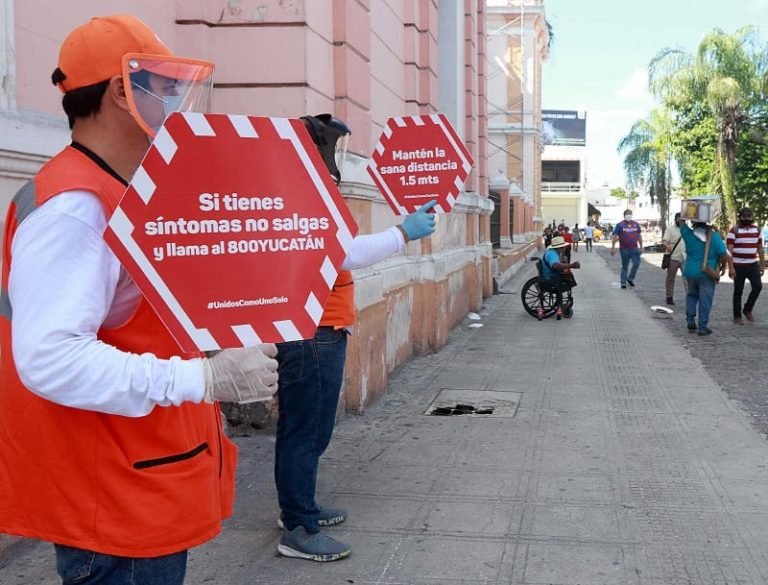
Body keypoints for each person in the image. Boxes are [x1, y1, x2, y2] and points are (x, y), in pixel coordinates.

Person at [0, 15, 281, 585]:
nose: (176, 101)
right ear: (118, 93)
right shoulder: (75, 208)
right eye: (164, 85)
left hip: (138, 483)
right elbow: (51, 358)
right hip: (113, 508)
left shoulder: (118, 189)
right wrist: (202, 380)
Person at [274, 118, 438, 562]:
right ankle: (297, 526)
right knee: (306, 433)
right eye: (332, 148)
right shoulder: (303, 196)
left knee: (309, 430)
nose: (339, 158)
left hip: (319, 329)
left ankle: (299, 506)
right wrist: (402, 233)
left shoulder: (305, 193)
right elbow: (340, 253)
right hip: (312, 333)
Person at [680, 219, 730, 336]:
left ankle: (690, 320)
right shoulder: (714, 236)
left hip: (690, 271)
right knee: (705, 299)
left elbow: (681, 223)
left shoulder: (688, 234)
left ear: (693, 223)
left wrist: (688, 213)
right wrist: (723, 266)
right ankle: (702, 327)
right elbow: (723, 253)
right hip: (707, 272)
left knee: (691, 295)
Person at [727, 207, 765, 324]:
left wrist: (762, 265)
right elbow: (729, 251)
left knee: (758, 287)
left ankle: (747, 309)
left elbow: (760, 248)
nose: (747, 218)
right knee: (738, 291)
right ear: (740, 217)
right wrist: (731, 267)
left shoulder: (757, 230)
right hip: (738, 265)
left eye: (749, 216)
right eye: (744, 216)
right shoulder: (734, 231)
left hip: (752, 264)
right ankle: (737, 316)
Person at [539, 235, 581, 320]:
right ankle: (560, 305)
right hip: (550, 277)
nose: (564, 248)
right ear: (560, 247)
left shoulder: (554, 252)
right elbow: (555, 265)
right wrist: (571, 265)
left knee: (569, 278)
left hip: (550, 275)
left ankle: (561, 305)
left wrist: (563, 261)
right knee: (567, 280)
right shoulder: (552, 254)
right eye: (563, 247)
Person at [611, 210, 643, 288]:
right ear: (624, 216)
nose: (628, 215)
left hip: (634, 248)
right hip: (624, 249)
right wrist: (613, 247)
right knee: (625, 266)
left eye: (630, 214)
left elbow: (639, 236)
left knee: (636, 263)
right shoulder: (620, 225)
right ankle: (623, 282)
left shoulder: (636, 224)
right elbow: (615, 236)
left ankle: (630, 278)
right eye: (627, 214)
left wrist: (641, 246)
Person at [662, 212, 687, 305]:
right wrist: (668, 246)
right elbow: (664, 241)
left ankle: (689, 297)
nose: (681, 222)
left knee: (687, 279)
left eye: (683, 220)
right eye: (680, 220)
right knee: (670, 278)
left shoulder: (687, 230)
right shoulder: (670, 229)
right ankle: (669, 296)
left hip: (684, 257)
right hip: (673, 257)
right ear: (676, 219)